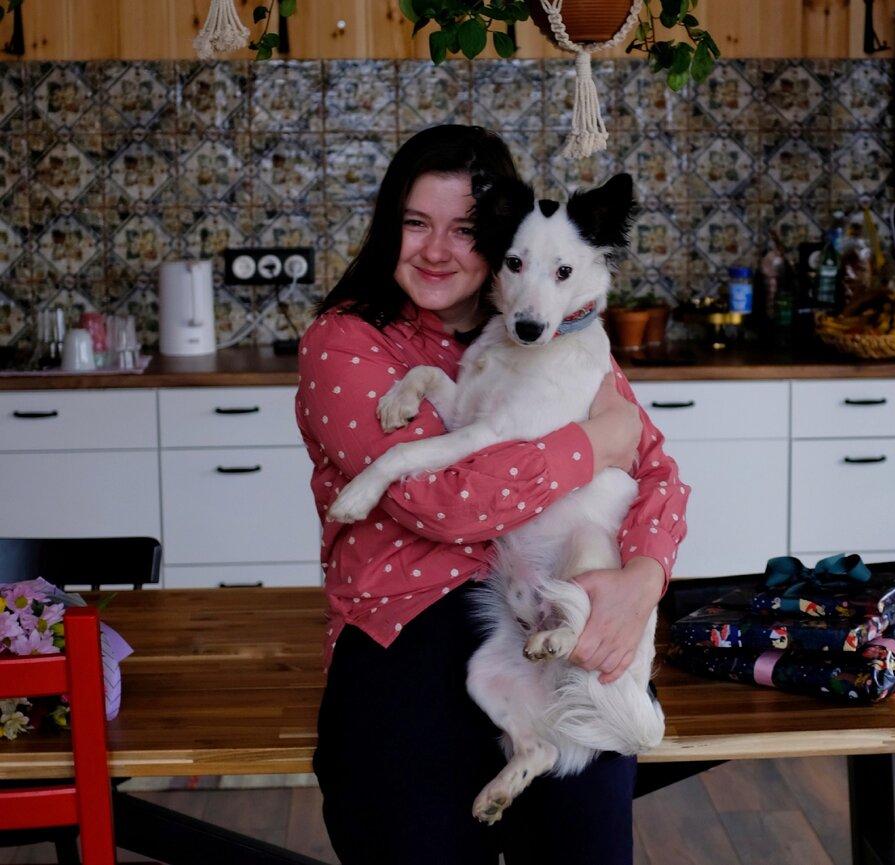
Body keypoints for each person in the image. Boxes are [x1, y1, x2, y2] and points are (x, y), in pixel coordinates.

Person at [295, 124, 690, 865]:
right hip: (403, 636)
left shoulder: (553, 329)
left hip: (554, 617)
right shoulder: (344, 343)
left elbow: (656, 471)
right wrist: (593, 444)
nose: (437, 250)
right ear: (388, 226)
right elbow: (437, 501)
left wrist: (643, 579)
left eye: (462, 230)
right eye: (416, 223)